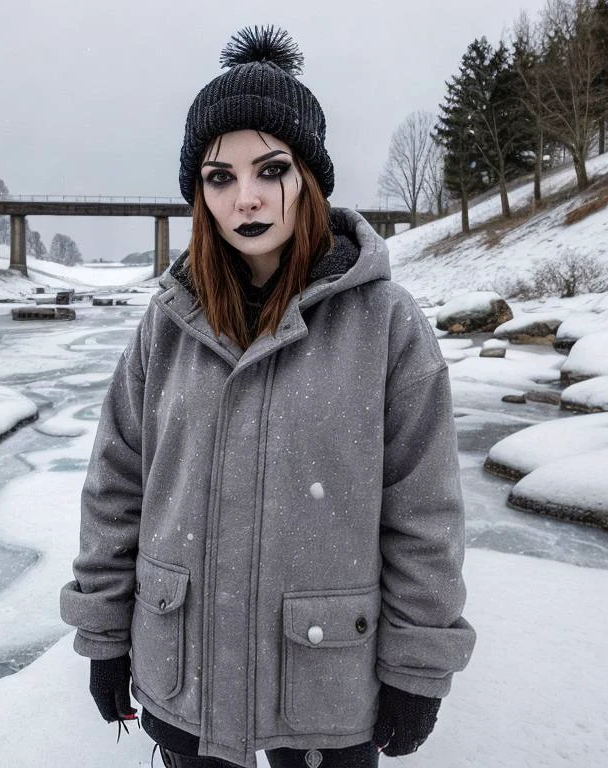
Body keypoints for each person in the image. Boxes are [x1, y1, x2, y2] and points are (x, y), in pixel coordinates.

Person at [61, 25, 475, 768]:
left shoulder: (387, 325)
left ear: (308, 177)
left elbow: (424, 510)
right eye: (220, 177)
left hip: (323, 694)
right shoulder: (167, 324)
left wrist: (417, 664)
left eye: (271, 169)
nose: (245, 197)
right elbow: (118, 484)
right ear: (199, 194)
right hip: (183, 679)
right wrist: (104, 634)